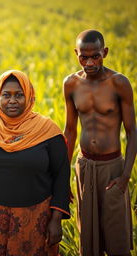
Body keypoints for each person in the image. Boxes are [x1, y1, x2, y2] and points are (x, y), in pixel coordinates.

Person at [0, 70, 71, 256]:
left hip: (35, 220)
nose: (12, 100)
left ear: (29, 97)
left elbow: (61, 175)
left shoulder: (47, 131)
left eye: (19, 95)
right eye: (6, 95)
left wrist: (56, 219)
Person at [63, 29, 137, 256]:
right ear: (76, 54)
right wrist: (63, 177)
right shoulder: (71, 84)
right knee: (89, 237)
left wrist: (125, 176)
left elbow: (132, 131)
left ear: (104, 52)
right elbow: (70, 131)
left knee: (117, 239)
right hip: (84, 167)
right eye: (83, 57)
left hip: (112, 167)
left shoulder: (119, 83)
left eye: (95, 56)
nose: (89, 62)